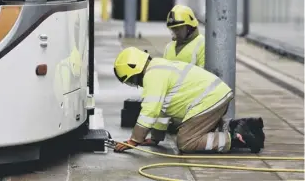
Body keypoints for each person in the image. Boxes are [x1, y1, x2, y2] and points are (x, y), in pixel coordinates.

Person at [113, 47, 265, 153]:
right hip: (215, 96)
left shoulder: (152, 76)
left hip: (209, 100)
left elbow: (150, 111)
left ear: (134, 70)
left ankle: (236, 139)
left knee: (186, 142)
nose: (134, 84)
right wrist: (155, 138)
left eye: (131, 80)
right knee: (201, 132)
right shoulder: (158, 67)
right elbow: (161, 111)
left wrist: (134, 140)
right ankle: (240, 126)